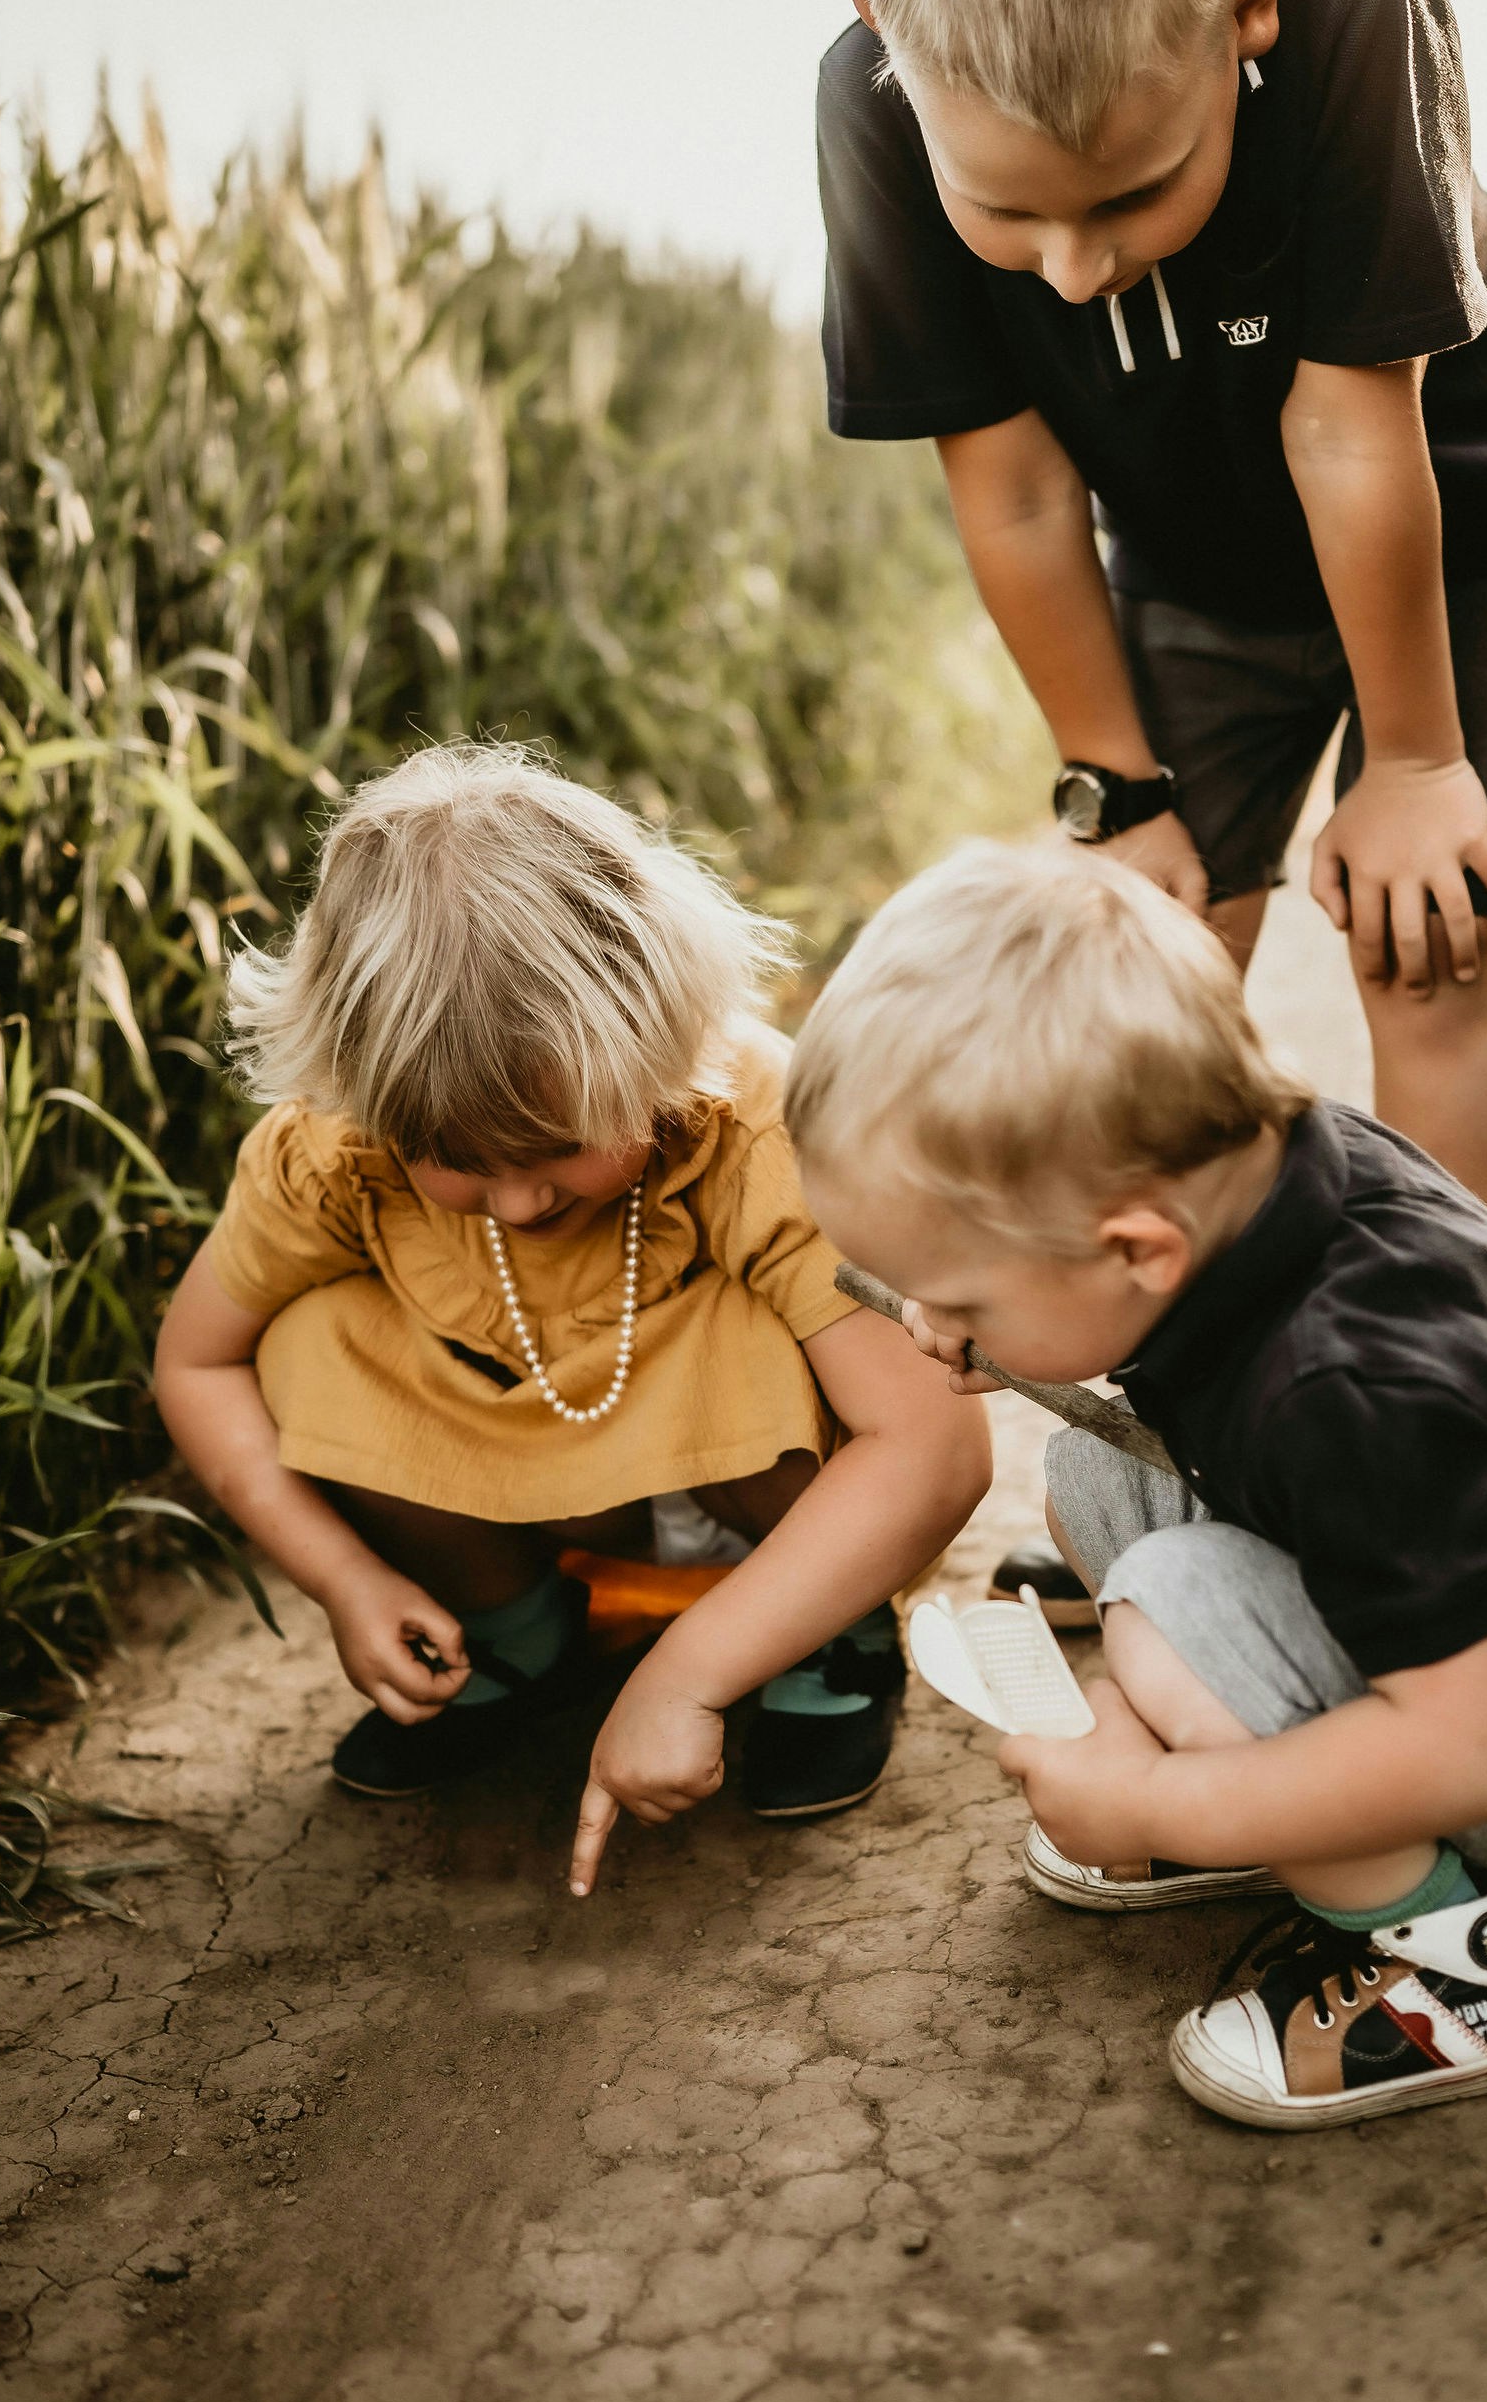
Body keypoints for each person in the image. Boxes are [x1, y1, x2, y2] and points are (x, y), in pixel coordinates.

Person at [818, 0, 1487, 1244]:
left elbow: (1349, 425)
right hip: (1205, 558)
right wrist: (1119, 785)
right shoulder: (870, 109)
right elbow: (1010, 489)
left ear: (1243, 8)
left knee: (1431, 936)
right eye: (1009, 213)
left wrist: (1410, 770)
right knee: (1154, 942)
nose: (1073, 269)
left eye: (1132, 193)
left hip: (1484, 514)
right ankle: (1209, 1370)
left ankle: (1450, 1362)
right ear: (889, 46)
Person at [785, 842, 1487, 2129]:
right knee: (1091, 1476)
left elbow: (1470, 1743)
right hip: (1428, 1620)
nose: (932, 1327)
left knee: (1168, 1598)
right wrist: (1017, 1322)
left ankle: (1448, 1968)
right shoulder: (1257, 1186)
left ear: (1134, 1249)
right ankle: (1271, 1790)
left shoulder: (1358, 1392)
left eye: (961, 1298)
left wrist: (1157, 1794)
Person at [153, 745, 990, 1894]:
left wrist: (683, 1677)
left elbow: (935, 1450)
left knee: (783, 1332)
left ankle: (818, 1633)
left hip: (759, 1503)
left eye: (557, 1149)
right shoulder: (332, 1151)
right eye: (453, 1161)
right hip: (542, 1479)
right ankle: (516, 1630)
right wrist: (344, 1577)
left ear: (655, 1038)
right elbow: (196, 1364)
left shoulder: (759, 1132)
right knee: (305, 1337)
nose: (519, 1199)